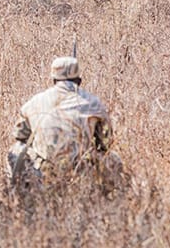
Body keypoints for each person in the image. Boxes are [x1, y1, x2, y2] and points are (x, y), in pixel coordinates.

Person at [8, 56, 121, 188]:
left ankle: (18, 193)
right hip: (81, 170)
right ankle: (108, 196)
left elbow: (20, 135)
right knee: (113, 158)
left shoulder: (34, 102)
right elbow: (106, 143)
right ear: (79, 80)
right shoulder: (94, 103)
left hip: (43, 171)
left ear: (53, 80)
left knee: (17, 148)